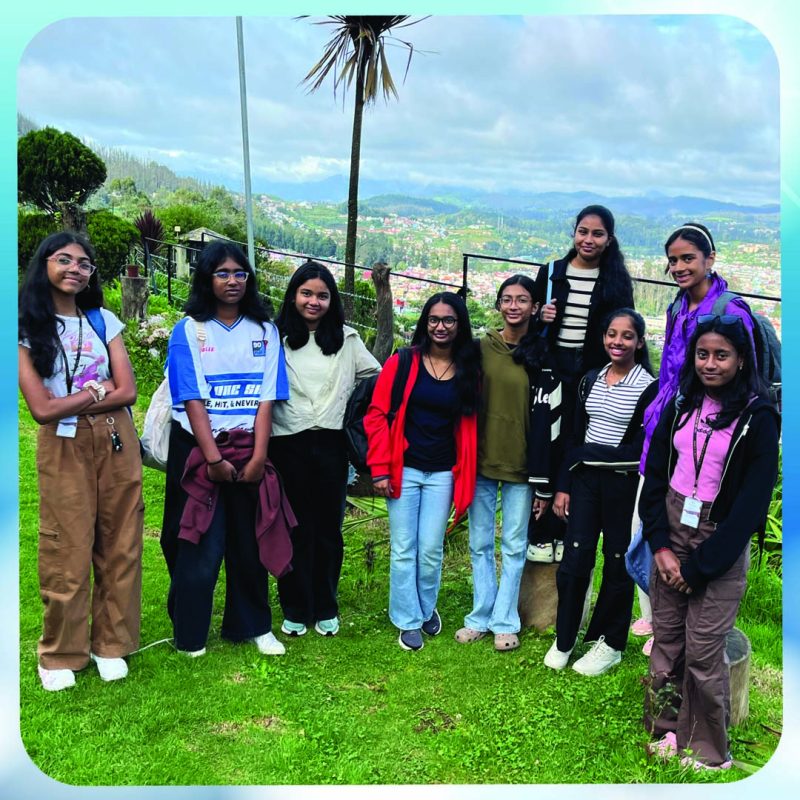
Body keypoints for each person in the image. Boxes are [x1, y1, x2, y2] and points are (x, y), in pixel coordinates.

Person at [639, 314, 778, 769]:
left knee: (702, 649)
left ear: (742, 360)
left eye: (722, 355)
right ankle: (665, 728)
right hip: (672, 526)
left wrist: (698, 569)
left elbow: (751, 507)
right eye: (703, 354)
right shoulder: (682, 404)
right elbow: (655, 477)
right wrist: (660, 546)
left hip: (719, 539)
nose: (710, 364)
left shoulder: (758, 417)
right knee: (668, 641)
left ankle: (706, 749)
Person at [19, 231, 143, 691]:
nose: (76, 268)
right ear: (44, 264)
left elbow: (127, 391)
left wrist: (74, 399)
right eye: (64, 259)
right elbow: (41, 409)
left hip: (115, 437)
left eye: (84, 263)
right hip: (63, 443)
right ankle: (60, 652)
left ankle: (110, 643)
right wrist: (95, 390)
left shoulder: (102, 320)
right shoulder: (23, 325)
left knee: (121, 540)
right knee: (66, 543)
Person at [160, 241, 291, 658]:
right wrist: (213, 459)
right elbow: (191, 397)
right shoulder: (189, 330)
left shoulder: (265, 331)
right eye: (222, 273)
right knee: (197, 539)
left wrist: (258, 457)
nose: (232, 281)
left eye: (239, 273)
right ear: (206, 279)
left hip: (249, 447)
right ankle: (190, 634)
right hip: (199, 449)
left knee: (249, 540)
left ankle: (252, 625)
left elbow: (266, 398)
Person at [631, 223, 755, 648]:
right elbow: (672, 373)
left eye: (688, 258)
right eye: (673, 260)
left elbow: (745, 381)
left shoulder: (729, 311)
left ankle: (683, 626)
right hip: (668, 427)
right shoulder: (678, 305)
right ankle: (658, 620)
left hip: (708, 437)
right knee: (652, 525)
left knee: (695, 531)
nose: (679, 267)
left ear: (710, 259)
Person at [544, 309, 657, 675]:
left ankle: (610, 643)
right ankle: (565, 636)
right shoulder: (590, 379)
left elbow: (638, 451)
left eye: (627, 336)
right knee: (575, 558)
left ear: (639, 342)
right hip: (584, 483)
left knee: (618, 562)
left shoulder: (649, 388)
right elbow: (574, 438)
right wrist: (564, 485)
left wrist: (588, 455)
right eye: (611, 334)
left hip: (623, 485)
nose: (617, 341)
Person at [364, 292, 480, 651]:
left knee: (430, 549)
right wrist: (380, 469)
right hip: (405, 469)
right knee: (404, 548)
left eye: (448, 320)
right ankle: (408, 619)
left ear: (459, 324)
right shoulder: (403, 361)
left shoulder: (468, 369)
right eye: (434, 319)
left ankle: (425, 607)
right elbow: (376, 415)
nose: (440, 326)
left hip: (443, 472)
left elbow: (470, 424)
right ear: (425, 322)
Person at [271, 260, 380, 637]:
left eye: (322, 295)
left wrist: (353, 409)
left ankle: (326, 605)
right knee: (294, 526)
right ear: (293, 296)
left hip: (332, 443)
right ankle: (295, 606)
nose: (313, 301)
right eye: (306, 293)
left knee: (328, 529)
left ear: (332, 300)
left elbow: (376, 376)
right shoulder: (275, 338)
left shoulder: (347, 340)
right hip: (287, 441)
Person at [455, 275, 548, 652]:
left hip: (522, 465)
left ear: (535, 307)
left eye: (522, 300)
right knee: (479, 542)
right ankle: (480, 615)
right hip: (480, 462)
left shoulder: (542, 353)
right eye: (507, 299)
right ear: (498, 305)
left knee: (513, 545)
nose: (514, 306)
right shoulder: (480, 349)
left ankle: (505, 621)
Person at [535, 204, 635, 426]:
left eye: (597, 234)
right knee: (547, 425)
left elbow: (628, 325)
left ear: (609, 240)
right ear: (574, 233)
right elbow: (529, 318)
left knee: (581, 425)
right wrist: (540, 315)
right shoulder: (551, 273)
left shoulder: (616, 280)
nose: (588, 240)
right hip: (552, 362)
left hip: (595, 366)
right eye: (583, 232)